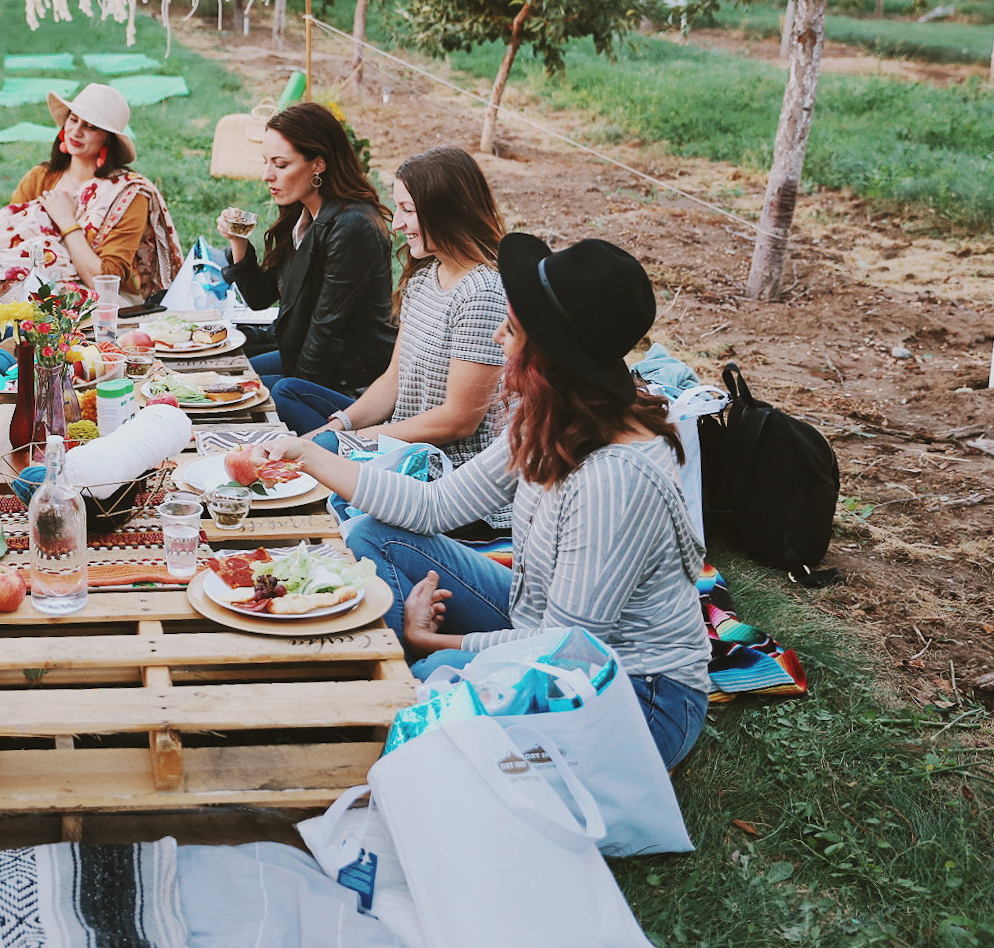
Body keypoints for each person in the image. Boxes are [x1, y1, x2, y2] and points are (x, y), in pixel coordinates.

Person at [262, 235, 711, 768]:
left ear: (550, 356)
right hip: (538, 621)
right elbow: (435, 507)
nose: (498, 336)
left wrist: (437, 645)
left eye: (513, 329)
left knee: (430, 684)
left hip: (636, 695)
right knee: (370, 534)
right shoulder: (549, 416)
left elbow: (563, 651)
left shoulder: (613, 481)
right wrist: (306, 456)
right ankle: (382, 686)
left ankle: (388, 692)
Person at [270, 145, 511, 536]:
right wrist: (340, 426)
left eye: (408, 210)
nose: (397, 223)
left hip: (451, 484)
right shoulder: (423, 278)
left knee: (324, 463)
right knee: (290, 393)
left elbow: (459, 420)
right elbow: (393, 380)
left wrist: (351, 443)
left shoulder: (481, 292)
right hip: (405, 446)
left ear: (447, 209)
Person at [219, 102, 395, 398]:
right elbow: (260, 298)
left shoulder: (351, 227)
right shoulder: (302, 215)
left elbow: (327, 331)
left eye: (281, 164)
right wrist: (238, 241)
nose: (267, 175)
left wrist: (292, 395)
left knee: (241, 393)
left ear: (318, 164)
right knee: (225, 374)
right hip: (302, 355)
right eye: (266, 162)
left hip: (349, 381)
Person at [0, 83, 180, 307]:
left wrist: (67, 223)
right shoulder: (39, 179)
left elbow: (104, 284)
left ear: (108, 138)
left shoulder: (128, 194)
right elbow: (9, 245)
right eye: (73, 120)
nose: (76, 131)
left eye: (90, 126)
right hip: (29, 288)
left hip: (103, 305)